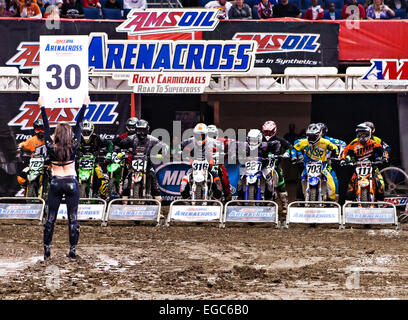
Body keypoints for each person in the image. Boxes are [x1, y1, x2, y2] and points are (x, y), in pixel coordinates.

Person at [39, 95, 89, 260]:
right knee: (73, 217)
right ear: (69, 135)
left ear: (57, 135)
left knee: (50, 218)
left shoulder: (50, 146)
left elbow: (46, 128)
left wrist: (42, 108)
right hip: (71, 182)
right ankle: (72, 250)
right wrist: (84, 106)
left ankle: (47, 249)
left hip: (55, 182)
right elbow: (79, 125)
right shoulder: (74, 145)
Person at [118, 119, 168, 201]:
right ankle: (124, 204)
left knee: (154, 183)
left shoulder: (152, 139)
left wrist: (161, 155)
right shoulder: (132, 138)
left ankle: (159, 207)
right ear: (136, 130)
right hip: (134, 166)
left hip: (148, 165)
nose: (141, 133)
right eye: (139, 130)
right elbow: (120, 144)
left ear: (147, 130)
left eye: (143, 130)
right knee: (126, 183)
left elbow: (165, 146)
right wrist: (119, 152)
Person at [291, 123, 339, 201]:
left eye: (313, 136)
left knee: (331, 182)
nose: (311, 138)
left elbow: (335, 148)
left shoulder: (325, 142)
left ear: (319, 135)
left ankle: (331, 200)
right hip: (307, 166)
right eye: (309, 136)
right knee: (302, 179)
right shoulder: (304, 142)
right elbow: (294, 148)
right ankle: (300, 198)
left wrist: (336, 156)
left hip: (322, 166)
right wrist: (294, 157)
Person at [340, 124, 386, 202]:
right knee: (350, 186)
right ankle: (349, 203)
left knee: (380, 184)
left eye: (364, 134)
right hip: (357, 166)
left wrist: (384, 158)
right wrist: (342, 160)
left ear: (369, 134)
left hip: (372, 166)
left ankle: (381, 202)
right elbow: (345, 151)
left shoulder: (373, 143)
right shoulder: (354, 143)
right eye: (360, 134)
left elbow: (383, 151)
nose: (362, 136)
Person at [179, 123, 224, 200]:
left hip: (208, 166)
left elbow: (221, 148)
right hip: (194, 168)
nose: (200, 137)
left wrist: (218, 155)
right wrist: (181, 153)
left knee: (217, 183)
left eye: (202, 135)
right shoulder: (189, 141)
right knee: (183, 183)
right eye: (197, 135)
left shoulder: (213, 142)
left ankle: (218, 199)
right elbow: (179, 147)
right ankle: (186, 199)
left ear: (206, 134)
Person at [235, 129, 281, 200]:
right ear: (248, 139)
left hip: (263, 166)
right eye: (251, 140)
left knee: (269, 181)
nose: (253, 142)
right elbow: (234, 144)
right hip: (248, 166)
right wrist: (233, 153)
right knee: (240, 181)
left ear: (260, 139)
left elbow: (277, 143)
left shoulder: (265, 145)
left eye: (255, 140)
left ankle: (269, 197)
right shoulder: (244, 145)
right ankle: (240, 197)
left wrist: (275, 154)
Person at [261, 120, 292, 212]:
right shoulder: (260, 139)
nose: (267, 134)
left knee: (281, 182)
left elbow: (289, 146)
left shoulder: (279, 140)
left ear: (274, 131)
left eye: (269, 132)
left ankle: (284, 204)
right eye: (266, 131)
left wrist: (287, 153)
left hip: (274, 165)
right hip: (262, 164)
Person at [79, 120, 113, 199]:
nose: (86, 134)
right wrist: (76, 153)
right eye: (84, 132)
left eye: (88, 132)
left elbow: (109, 143)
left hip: (95, 163)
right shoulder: (79, 139)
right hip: (81, 163)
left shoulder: (97, 138)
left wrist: (109, 153)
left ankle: (99, 193)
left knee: (99, 177)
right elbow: (72, 147)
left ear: (91, 131)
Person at [316, 122, 346, 201]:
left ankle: (333, 200)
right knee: (302, 178)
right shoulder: (310, 140)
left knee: (334, 180)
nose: (319, 132)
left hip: (326, 164)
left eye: (321, 130)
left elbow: (342, 143)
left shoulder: (329, 140)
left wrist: (340, 155)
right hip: (312, 163)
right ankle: (300, 198)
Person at [16, 119, 47, 188]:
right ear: (35, 130)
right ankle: (28, 187)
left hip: (47, 165)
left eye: (42, 129)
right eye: (38, 129)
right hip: (35, 165)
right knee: (21, 178)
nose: (40, 132)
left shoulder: (49, 139)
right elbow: (24, 144)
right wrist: (20, 147)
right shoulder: (32, 140)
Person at [207, 124, 232, 202]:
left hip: (217, 163)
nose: (211, 136)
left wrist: (231, 151)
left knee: (224, 175)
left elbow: (233, 143)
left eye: (212, 134)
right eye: (209, 134)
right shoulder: (203, 142)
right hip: (205, 163)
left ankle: (227, 194)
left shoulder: (222, 140)